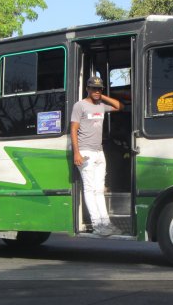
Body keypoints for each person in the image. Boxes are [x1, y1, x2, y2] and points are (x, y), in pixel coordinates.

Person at [70, 76, 123, 236]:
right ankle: (98, 225)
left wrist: (102, 96)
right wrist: (76, 153)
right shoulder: (80, 106)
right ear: (87, 88)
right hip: (85, 152)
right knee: (90, 189)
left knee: (99, 189)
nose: (96, 91)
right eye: (93, 88)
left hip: (99, 152)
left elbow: (120, 106)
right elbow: (73, 129)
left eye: (99, 89)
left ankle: (106, 223)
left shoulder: (101, 106)